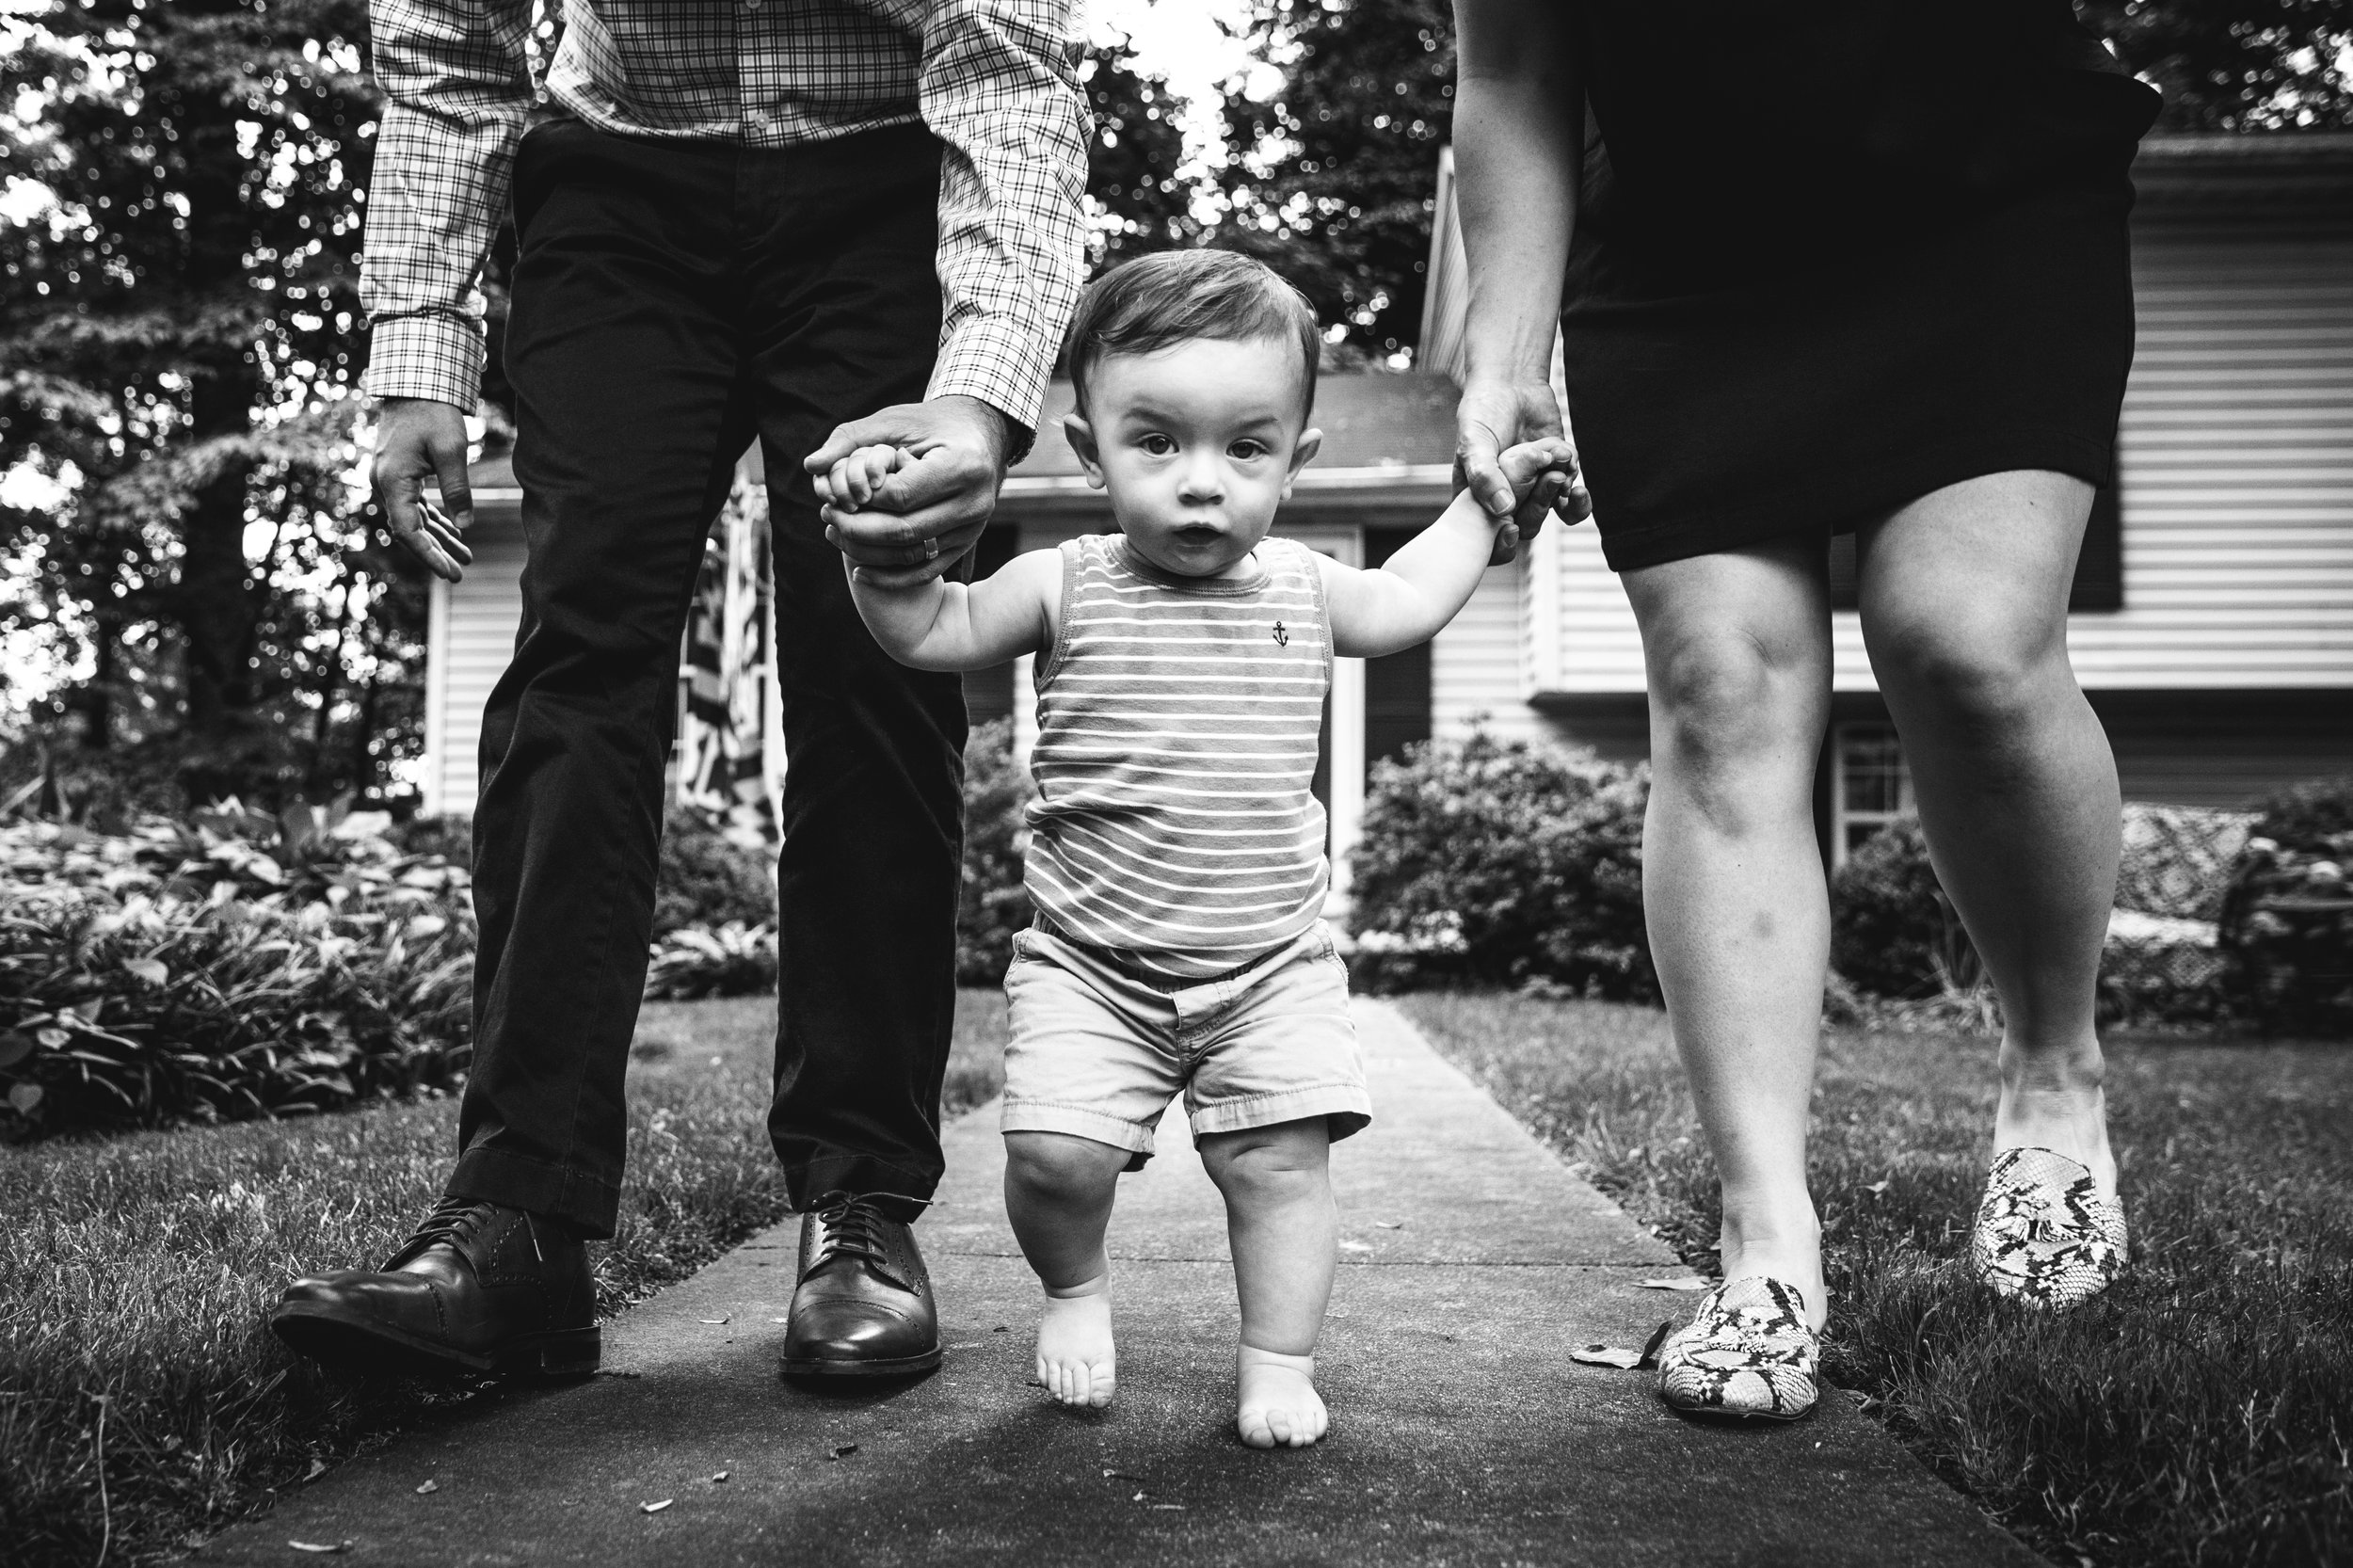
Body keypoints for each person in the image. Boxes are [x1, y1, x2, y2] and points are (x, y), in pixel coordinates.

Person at [268, 0, 1089, 1382]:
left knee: (875, 658)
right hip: (617, 181)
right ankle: (518, 1220)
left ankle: (863, 1207)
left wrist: (977, 395)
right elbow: (448, 43)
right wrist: (419, 351)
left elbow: (1005, 66)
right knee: (576, 661)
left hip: (885, 171)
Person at [1447, 0, 2163, 1420]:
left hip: (1987, 201)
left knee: (1963, 640)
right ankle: (1766, 1240)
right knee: (1721, 688)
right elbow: (1514, 67)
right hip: (1682, 254)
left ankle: (2053, 1080)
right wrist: (1503, 358)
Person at [822, 248, 1572, 1446]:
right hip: (1088, 964)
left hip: (1267, 967)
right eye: (1156, 443)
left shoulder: (1309, 585)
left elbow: (1410, 597)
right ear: (1088, 449)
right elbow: (932, 628)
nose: (1202, 485)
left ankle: (1277, 1360)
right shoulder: (1059, 584)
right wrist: (882, 557)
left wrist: (1484, 507)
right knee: (1055, 1157)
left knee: (1278, 1169)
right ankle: (1074, 1291)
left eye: (1245, 449)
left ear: (1296, 462)